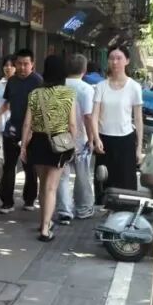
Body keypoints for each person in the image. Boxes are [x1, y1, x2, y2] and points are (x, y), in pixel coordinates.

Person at [21, 55, 77, 241]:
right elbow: (72, 124)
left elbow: (27, 123)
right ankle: (46, 228)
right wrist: (73, 144)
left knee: (43, 185)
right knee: (52, 187)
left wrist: (23, 146)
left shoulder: (35, 94)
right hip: (58, 142)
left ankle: (43, 221)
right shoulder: (68, 93)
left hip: (38, 141)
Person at [0, 48, 43, 213]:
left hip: (32, 131)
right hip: (12, 129)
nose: (22, 67)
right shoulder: (12, 81)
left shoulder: (38, 82)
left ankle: (29, 199)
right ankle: (7, 202)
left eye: (25, 64)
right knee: (9, 165)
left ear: (32, 64)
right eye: (19, 64)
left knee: (30, 167)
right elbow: (7, 102)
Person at [92, 46, 144, 192]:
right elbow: (94, 115)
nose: (115, 62)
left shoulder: (134, 87)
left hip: (125, 140)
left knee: (125, 182)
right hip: (104, 140)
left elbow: (138, 119)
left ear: (127, 61)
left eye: (119, 58)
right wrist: (96, 139)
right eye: (111, 58)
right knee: (103, 180)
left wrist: (139, 147)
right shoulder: (101, 86)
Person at [56, 53, 95, 224]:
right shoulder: (87, 89)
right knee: (82, 175)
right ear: (84, 70)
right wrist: (92, 139)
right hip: (80, 137)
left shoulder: (58, 86)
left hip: (60, 135)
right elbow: (88, 116)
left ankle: (64, 210)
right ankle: (83, 208)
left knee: (62, 174)